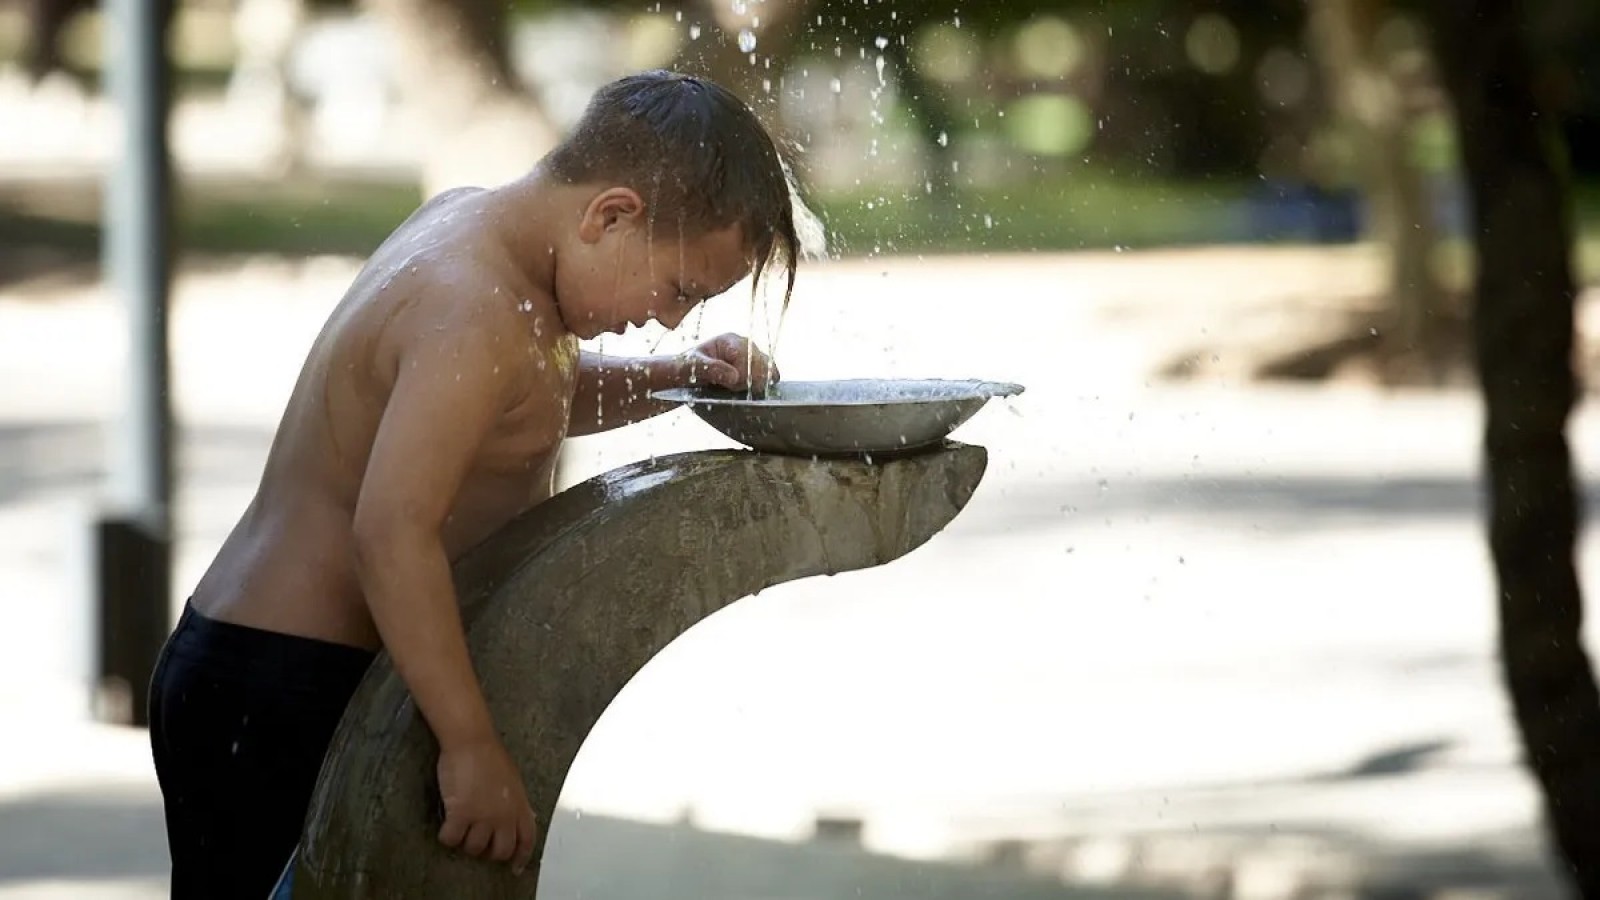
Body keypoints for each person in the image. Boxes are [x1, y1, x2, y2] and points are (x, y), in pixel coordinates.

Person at [146, 69, 814, 899]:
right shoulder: (474, 310)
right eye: (680, 291)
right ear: (612, 214)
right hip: (281, 689)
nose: (673, 317)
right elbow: (390, 534)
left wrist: (676, 377)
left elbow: (523, 399)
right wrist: (468, 745)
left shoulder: (479, 238)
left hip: (263, 670)